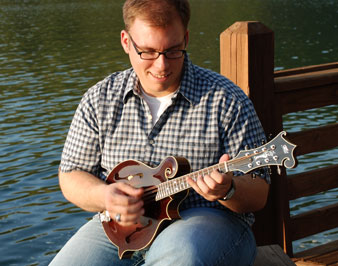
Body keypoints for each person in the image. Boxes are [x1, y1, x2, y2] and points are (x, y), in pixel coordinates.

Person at [49, 0, 270, 265]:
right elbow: (71, 174)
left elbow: (259, 190)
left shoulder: (226, 100)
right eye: (148, 52)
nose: (162, 65)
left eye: (173, 50)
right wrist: (105, 196)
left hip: (206, 222)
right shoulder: (100, 99)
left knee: (179, 256)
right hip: (120, 228)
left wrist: (228, 189)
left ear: (186, 38)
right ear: (126, 42)